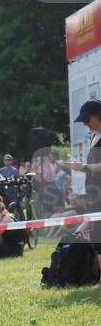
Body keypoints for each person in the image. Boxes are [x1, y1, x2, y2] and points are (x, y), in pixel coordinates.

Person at [65, 99, 101, 286]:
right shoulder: (95, 136)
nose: (86, 124)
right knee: (96, 235)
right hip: (94, 193)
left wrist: (83, 167)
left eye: (87, 120)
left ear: (97, 115)